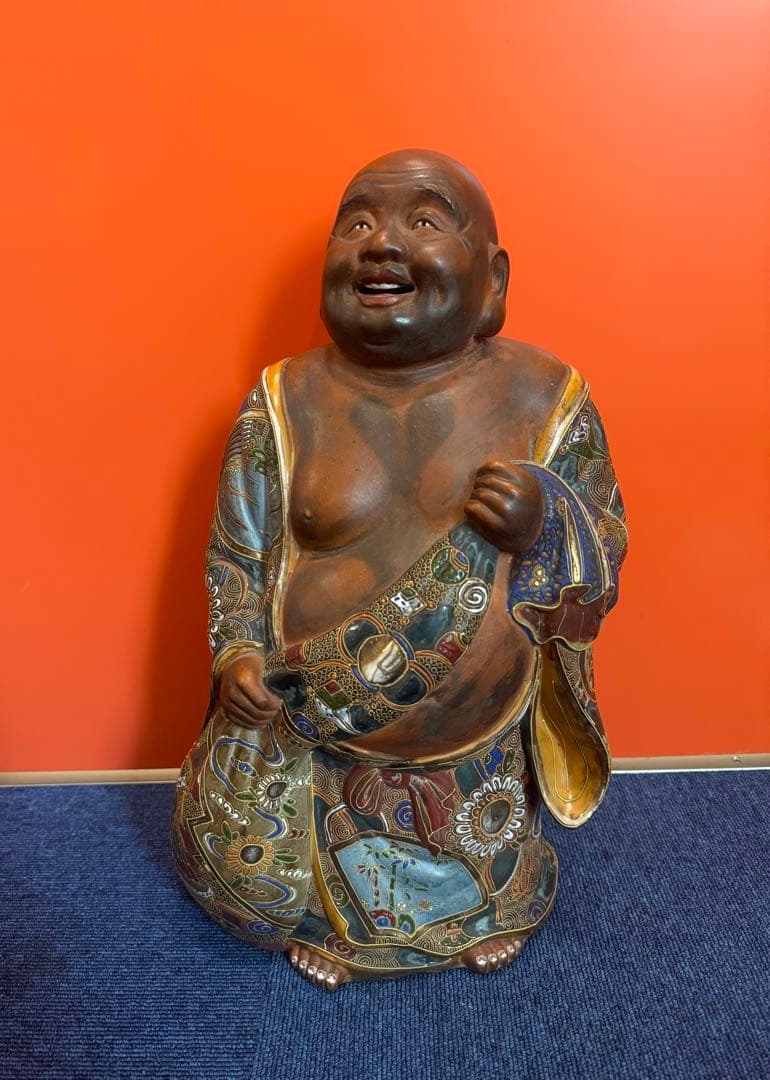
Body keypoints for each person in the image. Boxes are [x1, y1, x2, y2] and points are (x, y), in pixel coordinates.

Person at [171, 149, 627, 990]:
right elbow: (238, 551)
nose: (381, 243)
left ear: (492, 280)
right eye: (357, 222)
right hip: (314, 736)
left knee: (485, 859)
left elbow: (605, 543)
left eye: (423, 221)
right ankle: (325, 912)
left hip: (477, 756)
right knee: (251, 874)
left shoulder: (546, 397)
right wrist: (236, 654)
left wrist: (545, 519)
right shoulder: (285, 397)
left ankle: (485, 905)